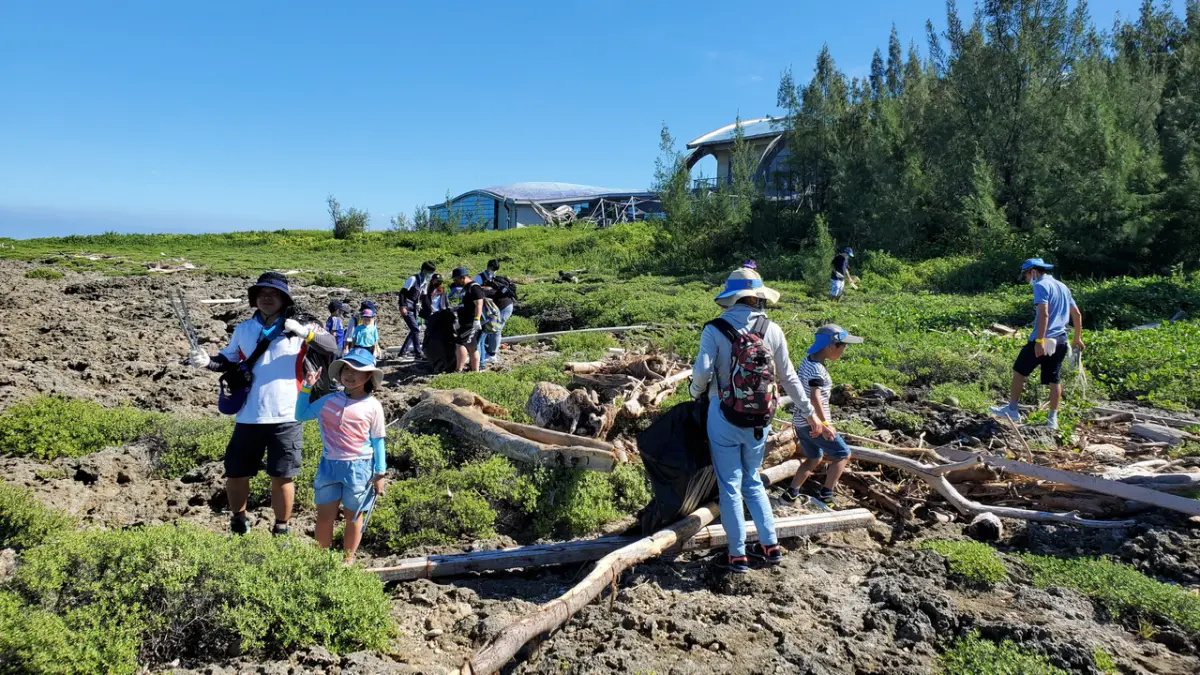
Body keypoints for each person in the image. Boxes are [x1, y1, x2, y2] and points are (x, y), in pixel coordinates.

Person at [690, 267, 827, 574]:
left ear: (731, 298)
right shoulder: (773, 330)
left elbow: (702, 371)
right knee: (752, 480)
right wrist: (809, 413)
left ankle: (737, 555)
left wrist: (696, 391)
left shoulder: (714, 329)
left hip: (723, 415)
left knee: (729, 484)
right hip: (759, 419)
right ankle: (770, 545)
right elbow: (790, 378)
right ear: (757, 298)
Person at [185, 271, 336, 535]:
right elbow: (229, 359)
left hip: (288, 414)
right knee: (235, 472)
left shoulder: (302, 325)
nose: (267, 298)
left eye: (273, 293)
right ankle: (239, 521)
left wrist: (305, 334)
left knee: (283, 476)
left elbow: (331, 345)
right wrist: (206, 361)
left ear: (284, 298)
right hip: (248, 415)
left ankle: (282, 528)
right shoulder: (244, 328)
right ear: (254, 299)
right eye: (261, 294)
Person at [296, 350, 387, 563]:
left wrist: (380, 472)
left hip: (360, 468)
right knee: (324, 516)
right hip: (329, 466)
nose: (350, 374)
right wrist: (307, 387)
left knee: (354, 517)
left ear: (368, 377)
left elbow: (378, 440)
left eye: (357, 371)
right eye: (346, 369)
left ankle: (348, 560)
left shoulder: (373, 406)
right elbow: (300, 415)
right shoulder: (328, 401)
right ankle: (321, 560)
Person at [990, 258, 1084, 430]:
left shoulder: (1040, 285)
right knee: (1054, 379)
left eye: (1025, 274)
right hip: (1061, 339)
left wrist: (1040, 341)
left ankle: (1012, 409)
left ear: (1032, 271)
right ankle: (1052, 420)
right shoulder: (1063, 287)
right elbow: (1077, 314)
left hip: (1044, 338)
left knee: (1019, 371)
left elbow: (1044, 313)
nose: (1026, 278)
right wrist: (1077, 338)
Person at [782, 324, 864, 507]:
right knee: (843, 454)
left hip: (800, 422)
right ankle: (827, 494)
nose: (843, 350)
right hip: (814, 423)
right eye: (842, 346)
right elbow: (815, 396)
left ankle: (791, 493)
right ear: (830, 346)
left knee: (814, 458)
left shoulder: (808, 361)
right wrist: (826, 424)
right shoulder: (817, 370)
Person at [475, 258, 514, 366]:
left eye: (495, 270)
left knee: (496, 329)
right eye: (492, 269)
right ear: (488, 267)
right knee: (488, 329)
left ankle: (492, 355)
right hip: (493, 308)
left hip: (504, 307)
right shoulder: (480, 277)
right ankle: (488, 352)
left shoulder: (495, 279)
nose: (493, 272)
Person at [450, 266, 485, 372]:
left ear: (462, 277)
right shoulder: (466, 287)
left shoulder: (474, 287)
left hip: (471, 322)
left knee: (461, 344)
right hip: (465, 321)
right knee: (472, 347)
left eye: (456, 280)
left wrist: (477, 319)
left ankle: (459, 370)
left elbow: (479, 304)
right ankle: (475, 371)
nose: (455, 282)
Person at [399, 261, 436, 360]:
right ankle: (418, 353)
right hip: (407, 305)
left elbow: (424, 298)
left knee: (415, 329)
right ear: (424, 270)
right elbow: (402, 293)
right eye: (430, 272)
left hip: (415, 307)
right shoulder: (413, 279)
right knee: (415, 329)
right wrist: (402, 306)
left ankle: (403, 352)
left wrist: (431, 309)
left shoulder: (424, 282)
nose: (430, 275)